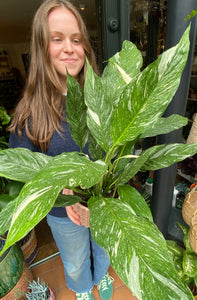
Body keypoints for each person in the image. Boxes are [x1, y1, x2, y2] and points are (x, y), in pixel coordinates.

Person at [8, 1, 114, 299]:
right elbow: (25, 175)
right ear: (42, 48)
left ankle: (102, 275)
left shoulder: (101, 97)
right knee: (76, 259)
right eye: (57, 39)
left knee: (103, 248)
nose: (69, 48)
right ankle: (82, 288)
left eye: (76, 39)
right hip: (62, 215)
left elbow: (115, 151)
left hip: (103, 206)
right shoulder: (30, 112)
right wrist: (62, 191)